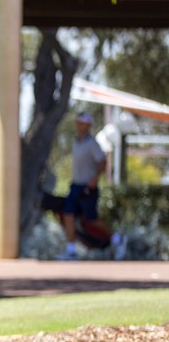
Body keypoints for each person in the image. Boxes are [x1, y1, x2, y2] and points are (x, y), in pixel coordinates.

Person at [58, 111, 108, 261]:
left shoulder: (92, 143)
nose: (78, 126)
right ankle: (71, 250)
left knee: (91, 219)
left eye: (81, 123)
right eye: (77, 122)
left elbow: (102, 162)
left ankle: (117, 239)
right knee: (68, 215)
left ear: (88, 125)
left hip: (88, 187)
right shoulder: (76, 142)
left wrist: (95, 178)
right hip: (75, 185)